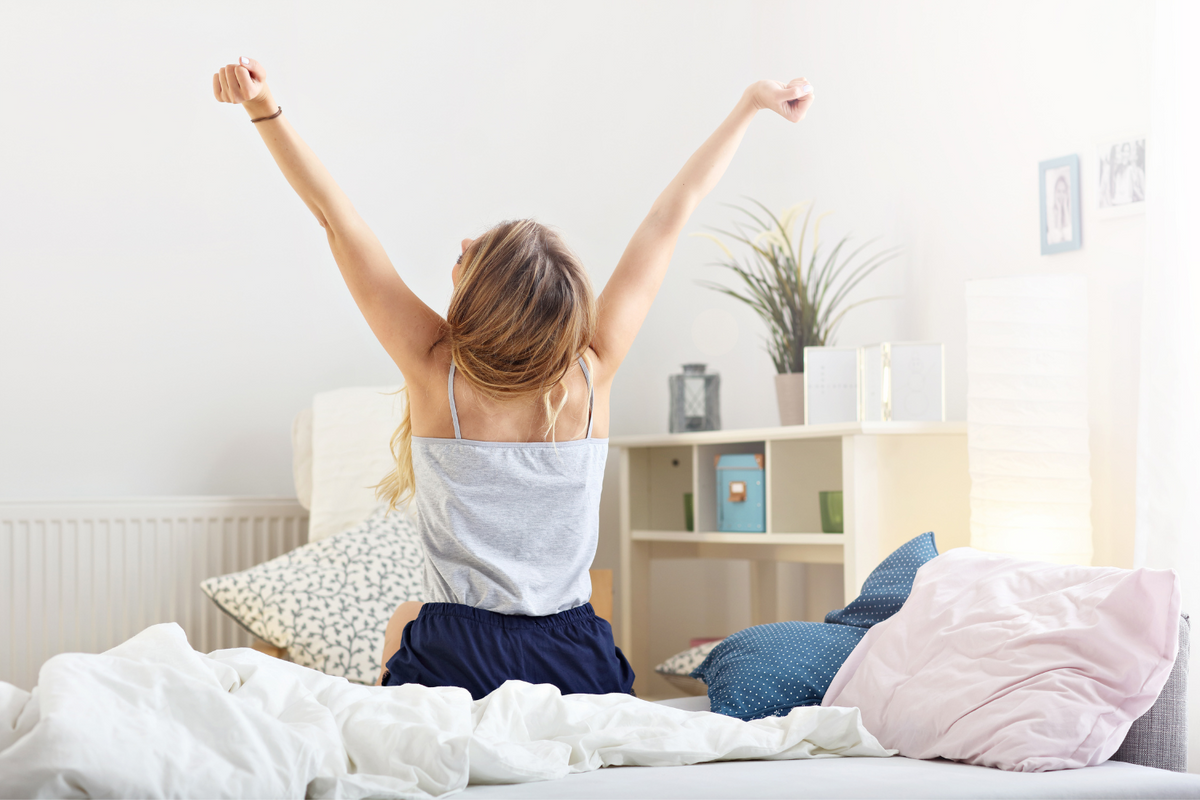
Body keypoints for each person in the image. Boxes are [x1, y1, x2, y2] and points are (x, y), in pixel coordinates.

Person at [212, 57, 813, 698]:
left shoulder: (434, 369)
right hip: (575, 654)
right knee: (415, 620)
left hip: (457, 654)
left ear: (477, 302)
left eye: (472, 253)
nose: (464, 244)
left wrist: (263, 108)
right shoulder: (592, 372)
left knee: (404, 621)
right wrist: (750, 106)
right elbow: (669, 220)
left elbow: (338, 220)